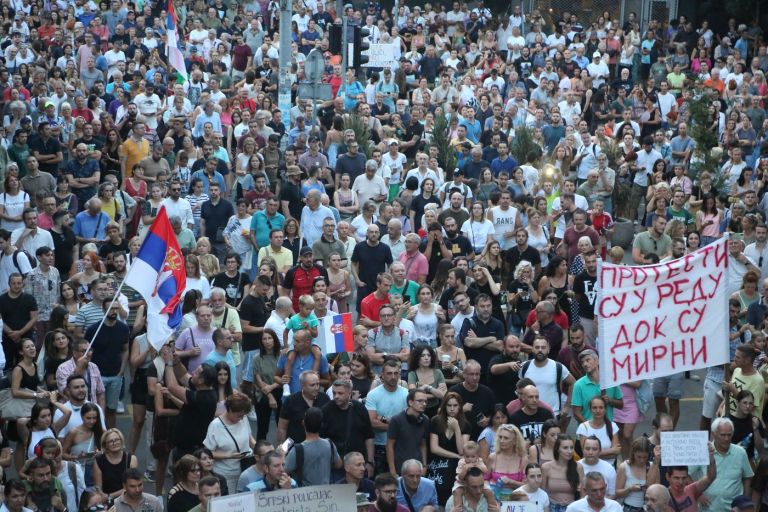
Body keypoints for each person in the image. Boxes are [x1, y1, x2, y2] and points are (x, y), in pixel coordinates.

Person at [689, 417, 754, 511]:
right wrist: (697, 494)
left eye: (729, 435)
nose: (726, 438)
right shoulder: (703, 452)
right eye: (723, 435)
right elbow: (685, 474)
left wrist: (745, 501)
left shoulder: (741, 453)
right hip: (708, 509)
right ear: (713, 434)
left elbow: (748, 477)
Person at [203, 392, 255, 493]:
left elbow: (250, 438)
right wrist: (229, 455)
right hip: (226, 474)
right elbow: (208, 452)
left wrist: (258, 448)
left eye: (244, 415)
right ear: (229, 410)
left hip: (246, 469)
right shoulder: (215, 426)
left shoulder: (243, 419)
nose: (242, 418)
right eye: (239, 416)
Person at [320, 379, 375, 471]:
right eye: (334, 393)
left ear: (349, 394)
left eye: (340, 393)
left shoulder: (359, 408)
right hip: (335, 465)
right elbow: (321, 440)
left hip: (358, 462)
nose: (336, 396)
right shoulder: (326, 410)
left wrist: (369, 462)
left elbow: (369, 436)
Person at [366, 359, 409, 475]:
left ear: (400, 375)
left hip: (400, 445)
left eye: (396, 373)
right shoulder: (373, 394)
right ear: (382, 375)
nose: (393, 376)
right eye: (389, 373)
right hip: (379, 445)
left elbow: (407, 422)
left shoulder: (406, 394)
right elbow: (372, 422)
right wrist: (396, 425)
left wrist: (383, 419)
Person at [285, 407, 342, 486]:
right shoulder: (329, 444)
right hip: (326, 493)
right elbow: (338, 464)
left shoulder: (297, 449)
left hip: (305, 495)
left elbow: (284, 471)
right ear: (322, 425)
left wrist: (280, 454)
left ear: (303, 423)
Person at [276, 369, 330, 445]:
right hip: (295, 446)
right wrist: (282, 449)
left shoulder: (324, 398)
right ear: (302, 385)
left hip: (319, 446)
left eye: (318, 384)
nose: (316, 388)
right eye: (312, 385)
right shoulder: (291, 401)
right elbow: (282, 428)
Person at [663, 442, 717, 512]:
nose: (680, 482)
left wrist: (711, 457)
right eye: (676, 478)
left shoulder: (691, 490)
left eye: (684, 478)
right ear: (668, 477)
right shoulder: (662, 496)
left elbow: (710, 477)